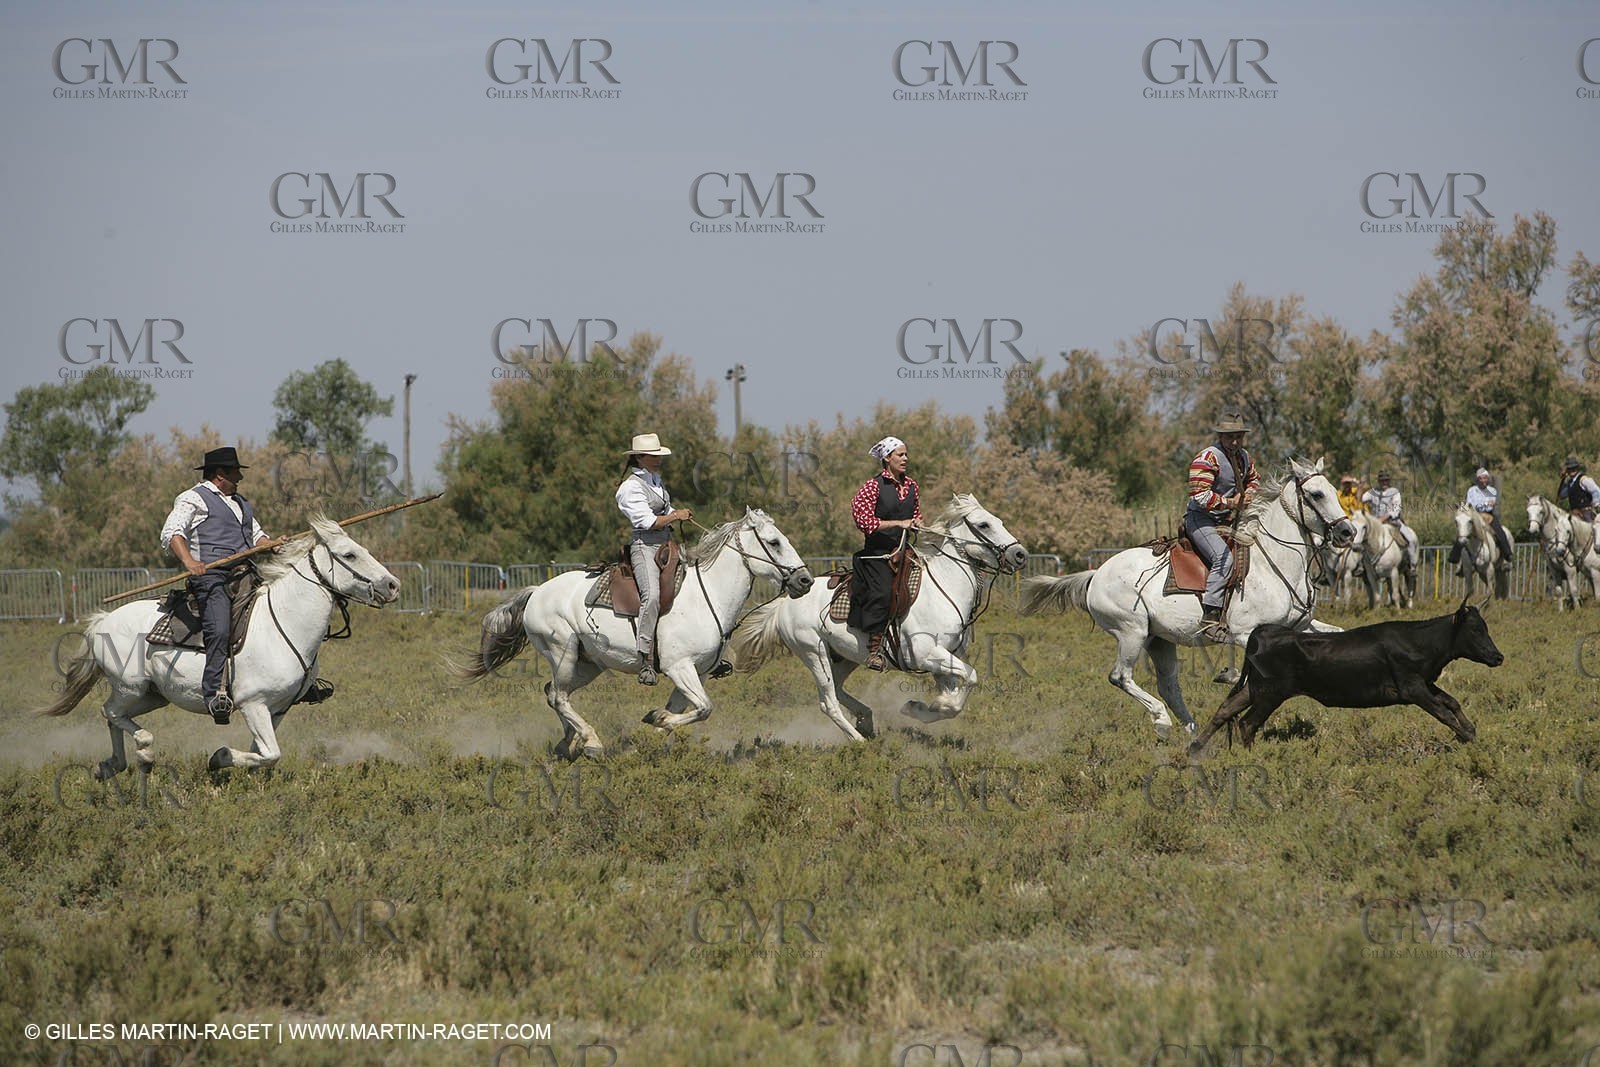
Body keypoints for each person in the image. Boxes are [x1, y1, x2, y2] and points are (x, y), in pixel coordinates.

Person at [160, 446, 278, 725]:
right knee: (220, 627)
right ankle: (214, 693)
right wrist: (189, 561)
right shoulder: (192, 498)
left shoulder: (240, 502)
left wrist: (271, 545)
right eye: (236, 472)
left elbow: (256, 535)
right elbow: (172, 532)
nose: (240, 477)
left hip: (246, 572)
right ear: (220, 474)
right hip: (211, 577)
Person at [615, 432, 694, 686]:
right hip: (644, 547)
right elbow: (647, 522)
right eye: (653, 455)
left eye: (659, 455)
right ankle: (646, 658)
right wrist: (675, 516)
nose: (658, 459)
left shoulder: (655, 480)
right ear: (640, 457)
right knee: (651, 598)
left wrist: (677, 513)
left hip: (666, 544)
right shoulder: (629, 488)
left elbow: (664, 510)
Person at [1185, 413, 1259, 642]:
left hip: (1229, 519)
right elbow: (1199, 496)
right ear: (1220, 436)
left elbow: (1255, 480)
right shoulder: (1206, 458)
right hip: (1201, 519)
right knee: (1223, 558)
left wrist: (1249, 494)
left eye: (1238, 437)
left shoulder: (1245, 457)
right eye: (1230, 437)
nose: (1235, 442)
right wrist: (1230, 503)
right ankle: (1210, 617)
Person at [848, 436, 921, 671]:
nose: (906, 459)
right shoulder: (872, 487)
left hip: (904, 551)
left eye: (906, 454)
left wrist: (917, 522)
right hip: (877, 555)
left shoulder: (912, 486)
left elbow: (915, 514)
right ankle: (875, 649)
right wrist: (900, 523)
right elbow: (865, 522)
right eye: (900, 455)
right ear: (887, 458)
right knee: (881, 593)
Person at [1359, 470, 1419, 575]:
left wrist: (1384, 518)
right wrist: (1361, 485)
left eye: (1386, 480)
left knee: (1411, 539)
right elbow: (1361, 498)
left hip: (1393, 522)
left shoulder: (1394, 492)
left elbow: (1396, 510)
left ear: (1389, 481)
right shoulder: (1373, 492)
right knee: (1360, 539)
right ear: (1378, 481)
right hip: (1376, 525)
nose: (1384, 483)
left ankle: (1412, 566)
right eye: (1382, 481)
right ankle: (1360, 566)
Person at [1455, 466, 1513, 570]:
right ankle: (1458, 561)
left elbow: (1490, 506)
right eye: (1481, 478)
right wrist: (1484, 503)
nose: (1483, 481)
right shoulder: (1471, 490)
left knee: (1499, 531)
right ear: (1478, 479)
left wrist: (1481, 504)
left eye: (1485, 478)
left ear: (1488, 479)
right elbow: (1470, 505)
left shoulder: (1492, 491)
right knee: (1462, 532)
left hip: (1487, 515)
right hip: (1474, 515)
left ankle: (1507, 555)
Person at [1558, 455, 1599, 523]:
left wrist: (1595, 506)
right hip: (1574, 514)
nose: (1572, 470)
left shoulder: (1583, 480)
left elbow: (1596, 491)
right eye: (1570, 468)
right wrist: (1563, 479)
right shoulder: (1570, 483)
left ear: (1577, 468)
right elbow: (1562, 495)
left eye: (1574, 467)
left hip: (1586, 513)